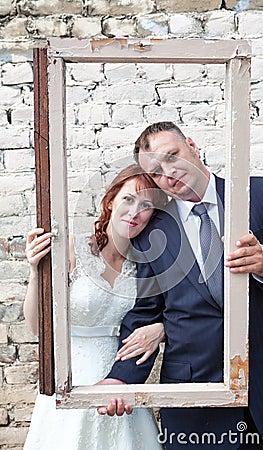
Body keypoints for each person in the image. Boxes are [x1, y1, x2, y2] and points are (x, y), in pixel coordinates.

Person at [98, 122, 263, 449]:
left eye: (173, 156)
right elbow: (145, 313)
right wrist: (120, 377)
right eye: (156, 172)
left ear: (192, 145)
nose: (169, 173)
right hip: (193, 395)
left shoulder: (261, 193)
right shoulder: (153, 231)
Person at [23, 164, 168, 450]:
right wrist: (33, 271)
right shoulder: (73, 249)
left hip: (120, 381)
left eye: (146, 205)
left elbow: (160, 315)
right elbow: (36, 327)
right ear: (111, 199)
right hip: (72, 379)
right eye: (128, 199)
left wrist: (161, 329)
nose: (135, 211)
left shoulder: (147, 266)